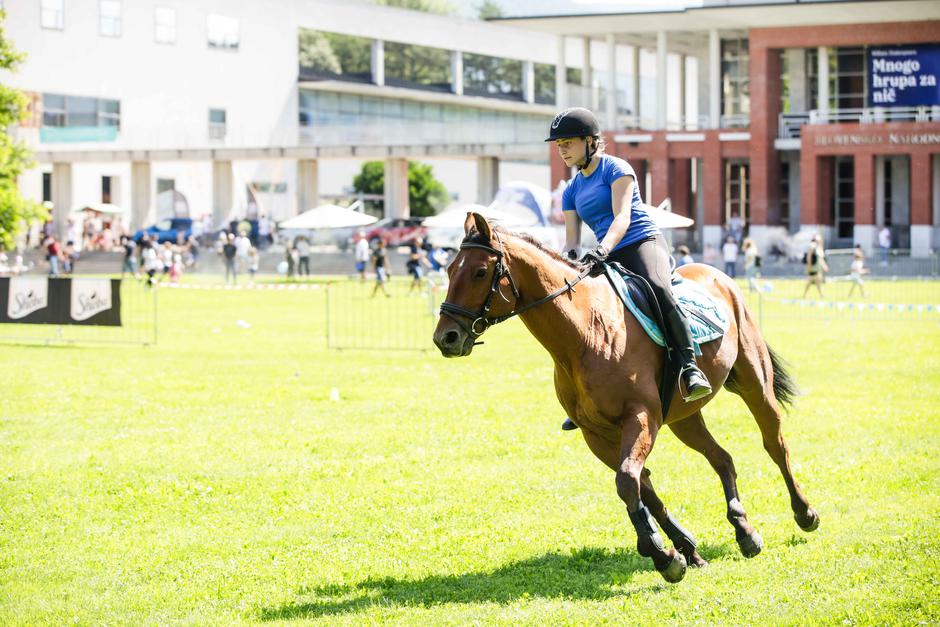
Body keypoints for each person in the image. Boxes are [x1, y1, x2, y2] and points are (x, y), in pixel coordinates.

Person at [550, 106, 711, 426]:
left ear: (590, 141)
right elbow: (571, 239)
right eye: (558, 145)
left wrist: (603, 249)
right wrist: (569, 264)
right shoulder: (571, 190)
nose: (562, 149)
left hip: (640, 244)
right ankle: (588, 393)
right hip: (602, 254)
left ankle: (689, 367)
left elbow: (622, 217)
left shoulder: (615, 168)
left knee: (659, 287)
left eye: (568, 142)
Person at [801, 234, 828, 298]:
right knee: (812, 280)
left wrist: (824, 266)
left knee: (817, 281)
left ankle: (820, 294)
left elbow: (821, 259)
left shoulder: (820, 248)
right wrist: (809, 265)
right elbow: (809, 256)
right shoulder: (812, 246)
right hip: (813, 267)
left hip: (818, 267)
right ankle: (806, 294)